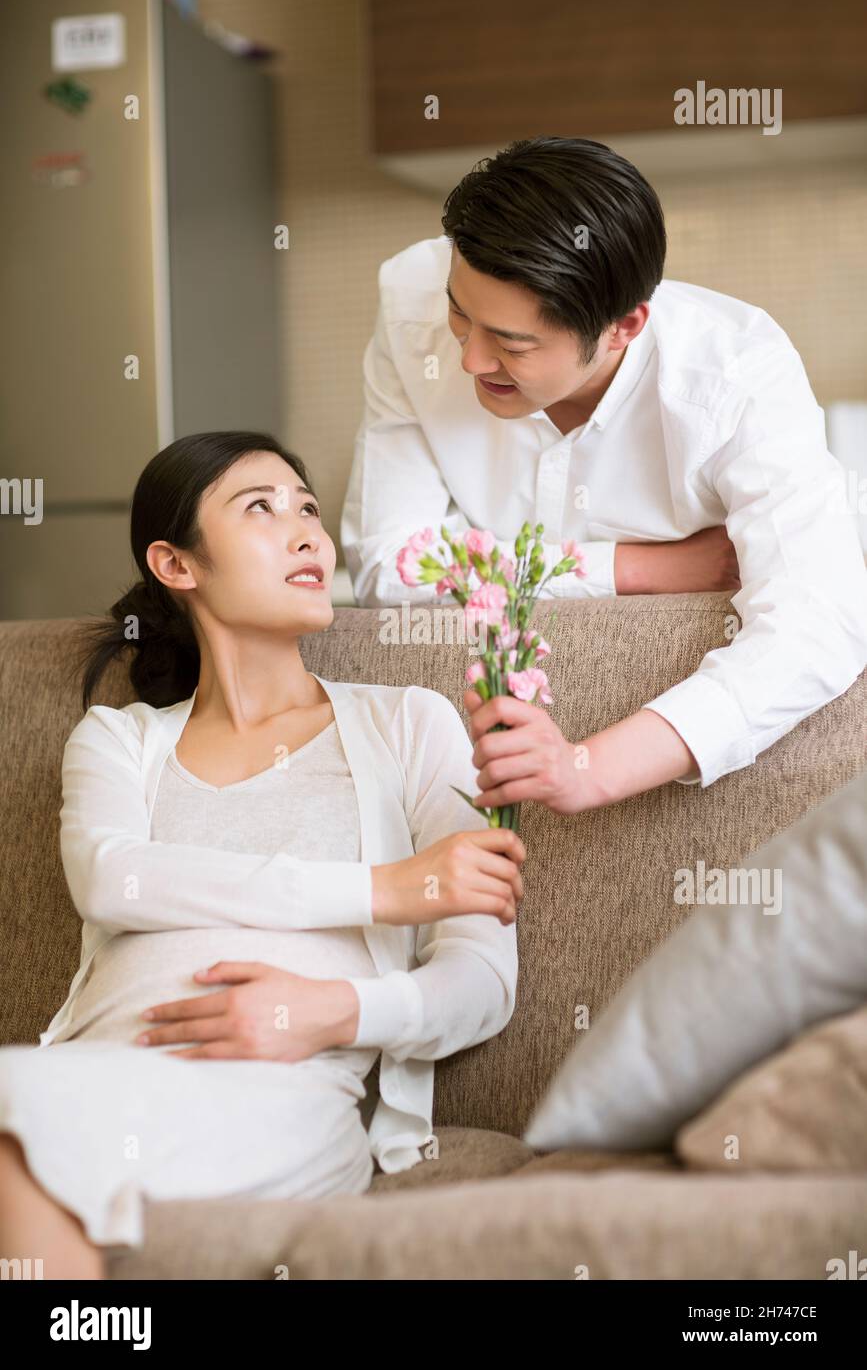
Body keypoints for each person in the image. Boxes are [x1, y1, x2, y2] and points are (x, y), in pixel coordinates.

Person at [0, 431, 523, 1279]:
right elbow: (112, 879)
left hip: (274, 1093)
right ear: (176, 564)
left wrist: (335, 1011)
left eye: (309, 508)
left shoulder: (408, 724)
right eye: (262, 508)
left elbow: (481, 983)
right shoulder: (121, 741)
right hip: (96, 1069)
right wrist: (383, 889)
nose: (307, 531)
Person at [341, 134, 867, 801]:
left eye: (511, 343)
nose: (470, 360)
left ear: (623, 326)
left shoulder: (733, 378)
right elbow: (387, 564)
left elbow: (819, 624)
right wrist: (638, 567)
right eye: (459, 313)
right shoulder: (409, 297)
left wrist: (589, 771)